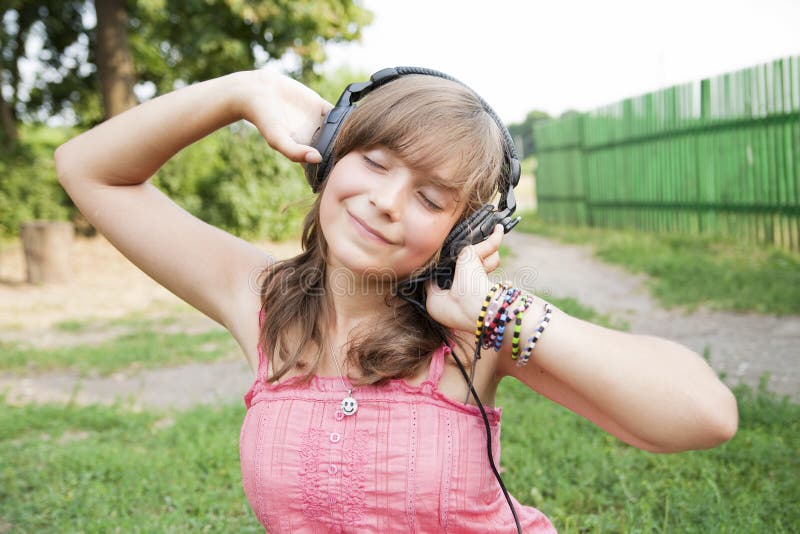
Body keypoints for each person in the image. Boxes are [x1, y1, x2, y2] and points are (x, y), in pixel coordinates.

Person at [55, 67, 738, 533]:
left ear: (464, 231)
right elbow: (90, 171)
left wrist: (495, 313)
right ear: (328, 153)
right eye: (376, 162)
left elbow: (704, 416)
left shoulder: (474, 334)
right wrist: (243, 90)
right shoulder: (259, 302)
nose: (385, 202)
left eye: (430, 197)